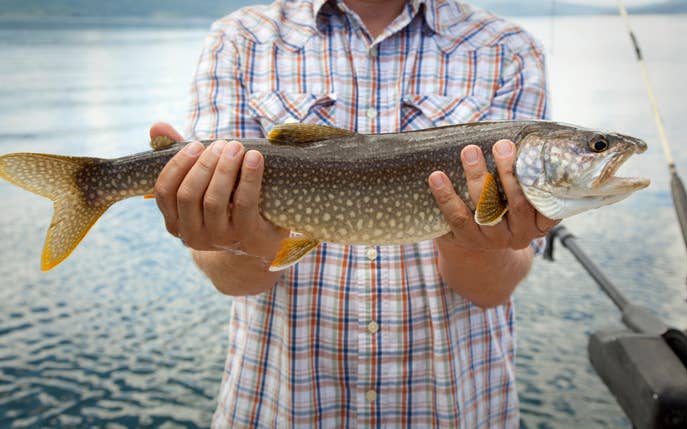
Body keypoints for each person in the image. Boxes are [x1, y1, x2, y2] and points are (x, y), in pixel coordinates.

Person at [151, 0, 557, 426]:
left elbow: (491, 290)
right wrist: (238, 243)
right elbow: (230, 278)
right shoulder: (240, 39)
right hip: (281, 407)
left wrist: (476, 248)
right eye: (596, 148)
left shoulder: (510, 50)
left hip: (454, 407)